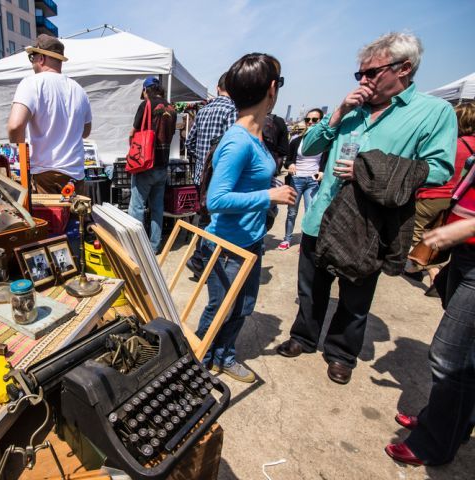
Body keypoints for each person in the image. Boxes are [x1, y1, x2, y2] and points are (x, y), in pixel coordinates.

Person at [276, 32, 457, 385]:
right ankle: (303, 336)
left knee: (356, 296)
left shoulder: (433, 113)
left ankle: (342, 353)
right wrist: (339, 112)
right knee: (311, 286)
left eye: (371, 73)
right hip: (322, 214)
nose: (363, 81)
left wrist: (370, 171)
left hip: (369, 223)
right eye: (358, 74)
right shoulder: (353, 109)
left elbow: (439, 169)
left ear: (404, 69)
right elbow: (309, 147)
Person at [195, 53, 296, 383]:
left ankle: (223, 357)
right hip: (227, 248)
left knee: (243, 307)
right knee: (220, 308)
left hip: (248, 243)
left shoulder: (255, 136)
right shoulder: (239, 141)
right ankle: (199, 362)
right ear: (271, 89)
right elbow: (217, 200)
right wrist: (270, 194)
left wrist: (269, 184)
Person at [385, 217, 475, 466]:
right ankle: (450, 424)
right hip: (463, 250)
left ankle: (432, 446)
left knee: (448, 357)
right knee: (467, 357)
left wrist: (469, 226)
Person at [7, 34, 92, 195]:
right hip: (75, 175)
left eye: (32, 57)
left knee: (48, 220)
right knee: (75, 219)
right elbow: (86, 132)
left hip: (44, 175)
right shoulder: (79, 90)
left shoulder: (31, 83)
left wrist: (21, 155)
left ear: (41, 58)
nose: (32, 62)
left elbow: (15, 125)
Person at [405, 102, 475, 294]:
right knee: (441, 239)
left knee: (421, 236)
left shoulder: (451, 145)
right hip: (457, 202)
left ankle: (433, 274)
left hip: (433, 195)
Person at [184, 72, 237, 279]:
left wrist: (200, 160)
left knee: (205, 218)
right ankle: (201, 260)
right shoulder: (232, 110)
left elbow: (189, 142)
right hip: (218, 176)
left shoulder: (204, 110)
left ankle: (200, 260)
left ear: (217, 87)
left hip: (201, 176)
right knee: (215, 221)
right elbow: (231, 147)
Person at [127, 77, 177, 252]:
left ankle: (137, 247)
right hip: (163, 164)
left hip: (145, 164)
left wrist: (132, 149)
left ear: (146, 90)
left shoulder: (146, 105)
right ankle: (154, 246)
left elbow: (133, 132)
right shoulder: (172, 108)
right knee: (157, 208)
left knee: (137, 207)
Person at [277, 108, 328, 251]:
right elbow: (288, 159)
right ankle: (287, 239)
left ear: (320, 121)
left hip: (312, 181)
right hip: (297, 179)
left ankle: (305, 243)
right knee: (292, 211)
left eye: (314, 120)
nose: (310, 122)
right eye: (308, 120)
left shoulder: (325, 143)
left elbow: (326, 162)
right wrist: (290, 164)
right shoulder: (296, 140)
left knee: (310, 212)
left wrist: (322, 171)